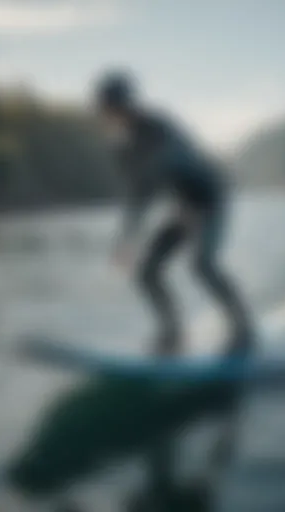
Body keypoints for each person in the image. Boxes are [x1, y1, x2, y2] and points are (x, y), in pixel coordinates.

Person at [95, 70, 254, 357]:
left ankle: (244, 330)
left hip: (210, 198)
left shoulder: (159, 128)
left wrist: (131, 235)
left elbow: (163, 174)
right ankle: (172, 334)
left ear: (126, 103)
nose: (109, 114)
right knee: (146, 273)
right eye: (105, 109)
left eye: (112, 107)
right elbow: (137, 194)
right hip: (184, 206)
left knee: (202, 265)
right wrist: (125, 240)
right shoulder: (124, 146)